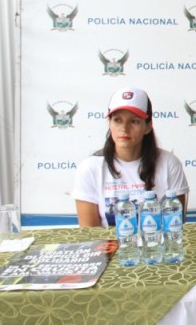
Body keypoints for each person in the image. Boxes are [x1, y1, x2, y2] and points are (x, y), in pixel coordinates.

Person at [73, 87, 189, 227]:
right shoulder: (90, 168)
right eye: (117, 120)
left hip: (156, 241)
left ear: (148, 126)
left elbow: (176, 227)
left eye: (134, 121)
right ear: (109, 123)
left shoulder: (169, 163)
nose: (124, 128)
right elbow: (90, 234)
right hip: (106, 242)